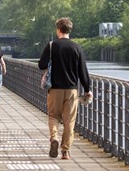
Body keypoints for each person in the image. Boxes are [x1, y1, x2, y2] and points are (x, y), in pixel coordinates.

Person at [38, 17, 93, 160]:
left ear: (58, 30)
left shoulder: (51, 46)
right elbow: (83, 71)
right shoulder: (77, 48)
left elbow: (41, 65)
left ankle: (54, 138)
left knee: (53, 115)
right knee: (69, 121)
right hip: (71, 90)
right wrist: (87, 89)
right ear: (70, 30)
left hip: (55, 88)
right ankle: (65, 151)